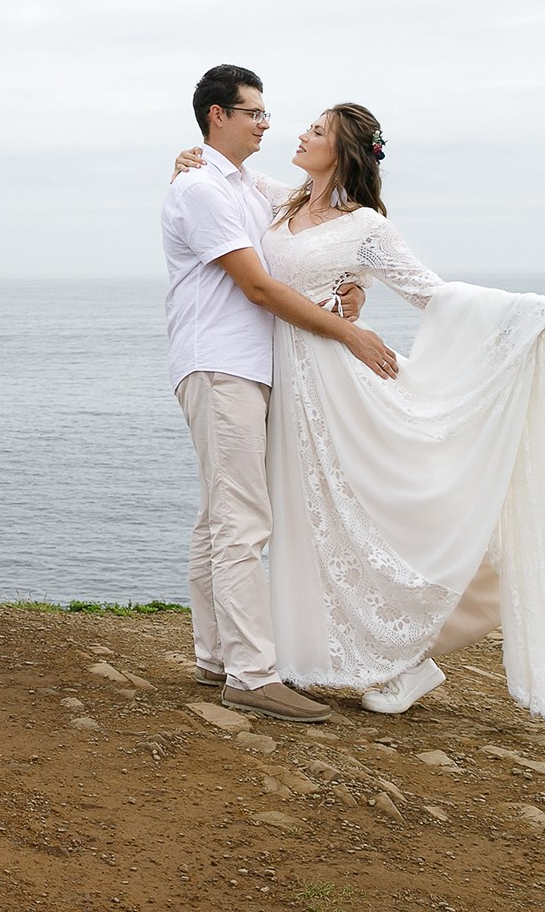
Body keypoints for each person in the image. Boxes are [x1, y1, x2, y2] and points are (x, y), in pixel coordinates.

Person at [173, 104, 545, 723]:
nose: (298, 133)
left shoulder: (366, 225)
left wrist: (533, 313)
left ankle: (408, 654)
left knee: (358, 516)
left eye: (316, 131)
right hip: (289, 386)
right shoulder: (278, 200)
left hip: (337, 382)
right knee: (311, 523)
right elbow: (223, 179)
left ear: (342, 151)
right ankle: (363, 660)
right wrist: (186, 157)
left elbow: (431, 291)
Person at [161, 65, 402, 725]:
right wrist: (350, 335)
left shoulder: (248, 187)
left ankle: (217, 656)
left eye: (268, 113)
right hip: (221, 362)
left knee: (220, 514)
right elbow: (260, 288)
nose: (267, 123)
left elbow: (322, 237)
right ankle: (252, 672)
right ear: (218, 116)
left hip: (243, 365)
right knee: (242, 519)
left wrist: (359, 285)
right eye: (255, 113)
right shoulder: (205, 187)